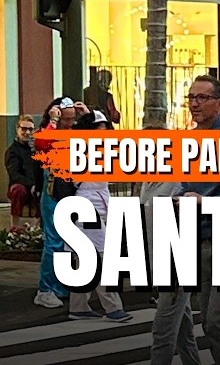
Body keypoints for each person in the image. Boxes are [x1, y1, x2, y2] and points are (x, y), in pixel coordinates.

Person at [155, 76, 220, 365]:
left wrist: (208, 202)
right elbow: (189, 185)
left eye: (202, 98)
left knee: (218, 321)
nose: (194, 104)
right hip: (197, 238)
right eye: (191, 97)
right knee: (208, 321)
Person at [67, 108, 132, 322]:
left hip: (91, 205)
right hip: (86, 207)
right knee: (104, 255)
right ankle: (112, 307)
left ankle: (78, 305)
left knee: (85, 256)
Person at [33, 97, 74, 309]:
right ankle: (45, 289)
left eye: (72, 120)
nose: (70, 123)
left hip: (67, 192)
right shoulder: (48, 130)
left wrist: (86, 116)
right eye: (66, 119)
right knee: (54, 242)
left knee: (66, 241)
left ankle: (58, 285)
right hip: (52, 193)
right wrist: (54, 122)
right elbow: (42, 144)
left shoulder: (73, 131)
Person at [6, 115, 40, 220]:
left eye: (30, 129)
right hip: (21, 186)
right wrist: (31, 185)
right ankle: (15, 229)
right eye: (24, 129)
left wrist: (38, 185)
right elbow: (15, 174)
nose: (28, 132)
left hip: (36, 185)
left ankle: (38, 229)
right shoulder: (12, 151)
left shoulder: (37, 149)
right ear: (17, 129)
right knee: (18, 190)